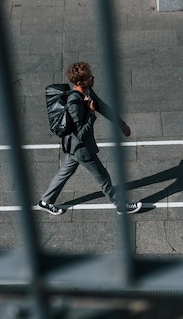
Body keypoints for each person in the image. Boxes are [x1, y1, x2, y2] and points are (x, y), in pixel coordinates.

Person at [37, 62, 142, 215]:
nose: (93, 78)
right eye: (89, 77)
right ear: (80, 82)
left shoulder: (87, 91)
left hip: (73, 148)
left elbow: (102, 106)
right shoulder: (74, 104)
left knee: (64, 172)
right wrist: (91, 115)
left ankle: (45, 201)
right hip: (81, 149)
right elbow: (80, 134)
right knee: (103, 177)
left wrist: (121, 125)